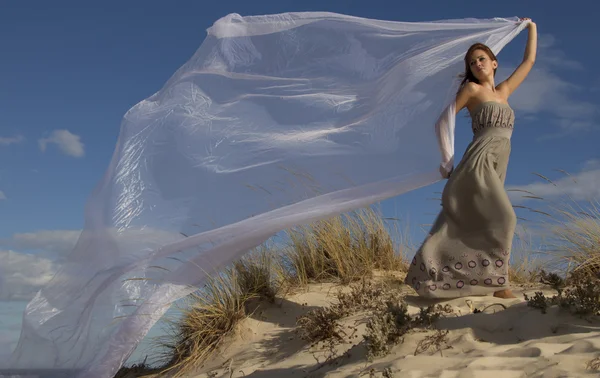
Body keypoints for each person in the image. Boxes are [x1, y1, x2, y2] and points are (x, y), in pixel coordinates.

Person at [404, 18, 537, 299]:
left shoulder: (504, 92)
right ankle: (500, 286)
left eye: (481, 59)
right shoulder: (472, 90)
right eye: (472, 62)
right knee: (506, 217)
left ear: (494, 62)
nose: (477, 64)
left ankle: (442, 273)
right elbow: (443, 120)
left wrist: (530, 28)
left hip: (499, 163)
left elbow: (528, 62)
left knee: (480, 222)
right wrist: (447, 159)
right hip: (478, 160)